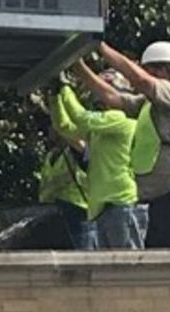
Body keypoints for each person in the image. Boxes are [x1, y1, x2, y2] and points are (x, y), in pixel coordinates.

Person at [78, 40, 170, 248]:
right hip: (157, 197)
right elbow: (114, 98)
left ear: (164, 70)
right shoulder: (150, 104)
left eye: (149, 70)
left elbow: (140, 80)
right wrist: (78, 67)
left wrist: (100, 46)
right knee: (156, 262)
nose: (144, 75)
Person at [52, 70, 145, 249]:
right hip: (103, 206)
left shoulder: (120, 120)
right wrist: (55, 97)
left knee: (127, 262)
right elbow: (64, 127)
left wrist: (64, 89)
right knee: (110, 264)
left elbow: (81, 118)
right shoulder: (101, 129)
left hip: (119, 202)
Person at [33, 98, 95, 250]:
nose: (50, 131)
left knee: (83, 254)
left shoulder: (76, 151)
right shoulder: (51, 156)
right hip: (54, 214)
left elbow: (69, 133)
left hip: (79, 211)